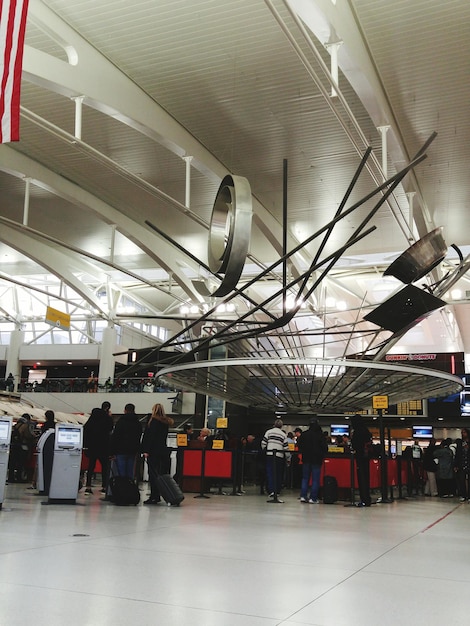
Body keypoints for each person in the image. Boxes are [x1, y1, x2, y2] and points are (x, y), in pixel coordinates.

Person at [141, 403, 174, 504]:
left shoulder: (153, 421)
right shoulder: (165, 422)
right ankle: (160, 494)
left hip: (153, 451)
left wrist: (145, 450)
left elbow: (149, 437)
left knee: (152, 473)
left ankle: (154, 496)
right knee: (160, 474)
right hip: (162, 450)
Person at [83, 401, 113, 495]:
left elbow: (86, 429)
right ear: (107, 408)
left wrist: (86, 444)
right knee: (105, 466)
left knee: (91, 466)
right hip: (103, 446)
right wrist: (109, 417)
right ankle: (104, 486)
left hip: (92, 446)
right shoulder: (107, 418)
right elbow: (110, 429)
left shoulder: (93, 417)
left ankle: (88, 486)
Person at [297, 417, 327, 503]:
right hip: (317, 460)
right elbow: (325, 447)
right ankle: (313, 498)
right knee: (315, 479)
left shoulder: (304, 434)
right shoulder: (320, 435)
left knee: (305, 478)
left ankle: (303, 496)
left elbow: (300, 446)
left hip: (306, 459)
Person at [109, 403, 142, 480]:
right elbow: (138, 436)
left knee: (121, 473)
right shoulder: (137, 423)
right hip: (132, 451)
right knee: (130, 472)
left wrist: (111, 452)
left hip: (121, 450)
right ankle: (129, 488)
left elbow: (116, 437)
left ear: (125, 410)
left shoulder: (121, 422)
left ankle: (122, 489)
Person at [261, 418, 290, 502]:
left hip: (270, 455)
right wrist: (288, 457)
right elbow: (286, 447)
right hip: (279, 456)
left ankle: (271, 490)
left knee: (270, 473)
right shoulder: (283, 434)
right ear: (281, 426)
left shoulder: (268, 432)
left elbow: (263, 443)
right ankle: (277, 491)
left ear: (274, 424)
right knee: (278, 474)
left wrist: (265, 450)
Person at [350, 414, 372, 507]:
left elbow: (355, 444)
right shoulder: (366, 430)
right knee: (366, 477)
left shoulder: (357, 431)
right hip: (366, 457)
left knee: (361, 477)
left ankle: (364, 499)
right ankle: (367, 498)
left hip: (360, 456)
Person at [454, 428, 470, 501]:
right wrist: (456, 465)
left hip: (468, 463)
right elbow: (457, 454)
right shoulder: (460, 443)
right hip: (462, 464)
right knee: (461, 480)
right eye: (462, 432)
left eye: (464, 432)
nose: (463, 434)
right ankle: (463, 495)